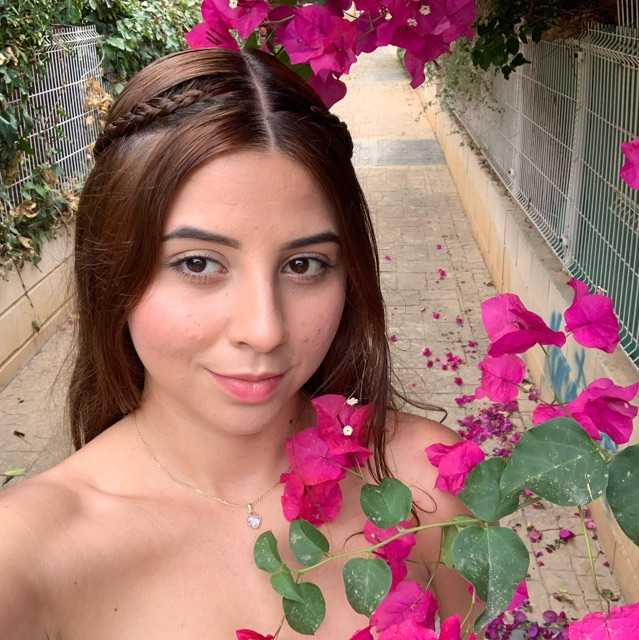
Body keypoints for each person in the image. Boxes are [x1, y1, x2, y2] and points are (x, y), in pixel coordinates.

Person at [0, 47, 480, 638]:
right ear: (113, 274)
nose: (264, 329)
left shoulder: (428, 483)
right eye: (198, 263)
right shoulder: (24, 560)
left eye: (303, 264)